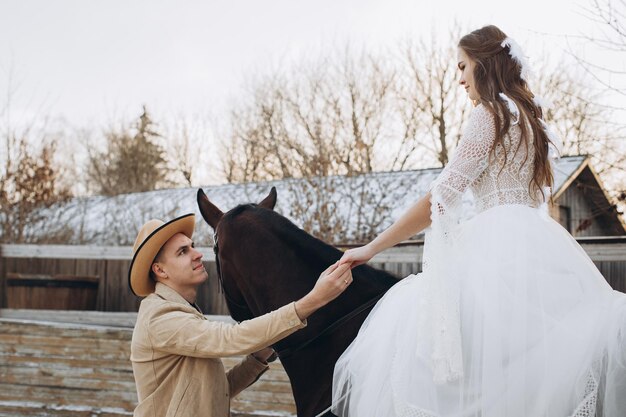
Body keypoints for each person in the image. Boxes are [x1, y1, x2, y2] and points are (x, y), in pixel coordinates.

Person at [332, 25, 626, 417]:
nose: (459, 79)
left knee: (417, 339)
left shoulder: (489, 114)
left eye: (463, 67)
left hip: (495, 248)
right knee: (528, 361)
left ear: (483, 66)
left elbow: (439, 199)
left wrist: (371, 247)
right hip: (538, 243)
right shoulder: (532, 122)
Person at [127, 213, 352, 417]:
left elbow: (216, 392)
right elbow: (229, 338)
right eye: (183, 252)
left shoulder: (184, 310)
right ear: (160, 270)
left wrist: (258, 357)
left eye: (192, 246)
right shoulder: (160, 317)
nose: (198, 254)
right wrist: (315, 299)